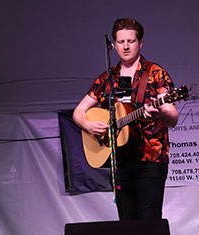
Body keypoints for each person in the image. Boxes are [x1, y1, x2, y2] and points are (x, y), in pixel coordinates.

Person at [73, 18, 178, 220]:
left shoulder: (156, 74)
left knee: (149, 222)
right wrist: (87, 124)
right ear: (114, 45)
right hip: (120, 159)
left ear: (140, 43)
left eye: (131, 41)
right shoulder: (107, 79)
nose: (126, 46)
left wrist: (160, 112)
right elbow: (79, 111)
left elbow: (172, 118)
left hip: (151, 159)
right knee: (126, 223)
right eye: (121, 42)